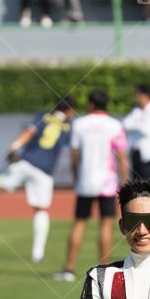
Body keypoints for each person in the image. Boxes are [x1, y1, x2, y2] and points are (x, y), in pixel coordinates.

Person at [55, 90, 129, 282]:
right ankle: (103, 268)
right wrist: (125, 181)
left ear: (90, 104)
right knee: (106, 223)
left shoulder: (79, 124)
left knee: (79, 223)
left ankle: (69, 268)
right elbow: (121, 156)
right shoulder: (115, 125)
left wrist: (75, 175)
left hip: (85, 181)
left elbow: (74, 154)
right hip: (107, 182)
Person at [0, 97, 77, 264]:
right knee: (41, 209)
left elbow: (28, 133)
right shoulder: (69, 126)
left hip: (25, 162)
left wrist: (14, 147)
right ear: (69, 110)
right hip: (44, 171)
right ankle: (37, 254)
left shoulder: (43, 115)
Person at [122, 84, 150, 181]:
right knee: (136, 184)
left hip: (149, 154)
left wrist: (135, 125)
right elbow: (125, 125)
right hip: (135, 151)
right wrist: (139, 125)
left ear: (147, 95)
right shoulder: (136, 109)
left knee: (149, 185)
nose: (136, 97)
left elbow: (146, 130)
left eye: (138, 94)